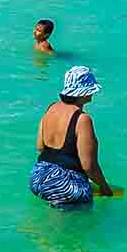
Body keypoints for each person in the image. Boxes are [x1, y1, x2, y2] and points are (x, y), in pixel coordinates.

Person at [30, 65, 113, 207]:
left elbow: (40, 147)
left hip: (38, 177)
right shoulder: (82, 119)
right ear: (83, 92)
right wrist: (104, 187)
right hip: (64, 187)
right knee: (81, 223)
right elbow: (89, 166)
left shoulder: (51, 108)